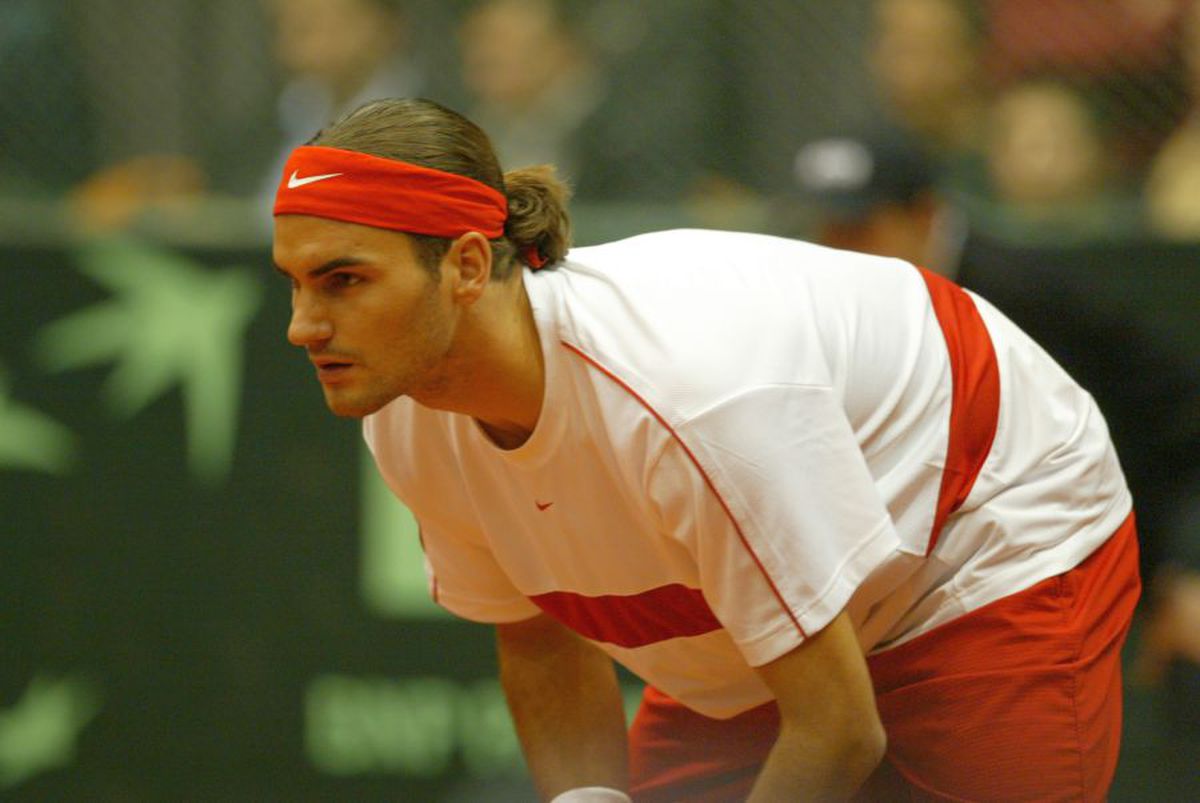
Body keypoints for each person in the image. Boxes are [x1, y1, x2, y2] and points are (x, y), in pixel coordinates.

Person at [271, 97, 1140, 801]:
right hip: (786, 609)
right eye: (298, 283)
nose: (304, 327)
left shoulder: (689, 391)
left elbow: (838, 730)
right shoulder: (408, 410)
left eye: (344, 280)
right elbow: (538, 637)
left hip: (984, 519)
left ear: (464, 266)